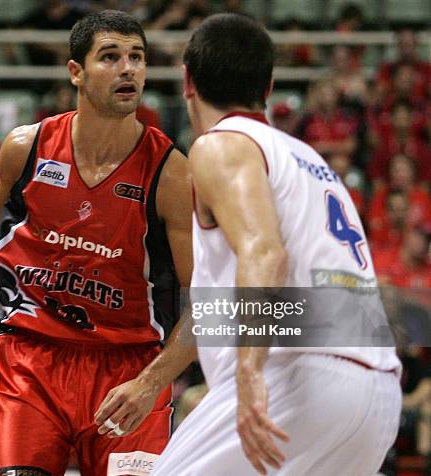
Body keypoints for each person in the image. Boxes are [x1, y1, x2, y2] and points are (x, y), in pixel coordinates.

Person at [0, 10, 194, 476]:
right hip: (30, 362)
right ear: (76, 71)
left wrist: (151, 382)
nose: (128, 69)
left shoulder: (172, 172)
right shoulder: (26, 147)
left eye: (137, 57)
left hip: (127, 369)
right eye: (111, 57)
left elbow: (206, 299)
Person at [153, 14, 402, 475]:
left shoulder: (220, 145)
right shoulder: (309, 159)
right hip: (377, 389)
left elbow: (266, 254)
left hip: (299, 376)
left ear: (187, 80)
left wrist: (249, 374)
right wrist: (150, 383)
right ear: (268, 87)